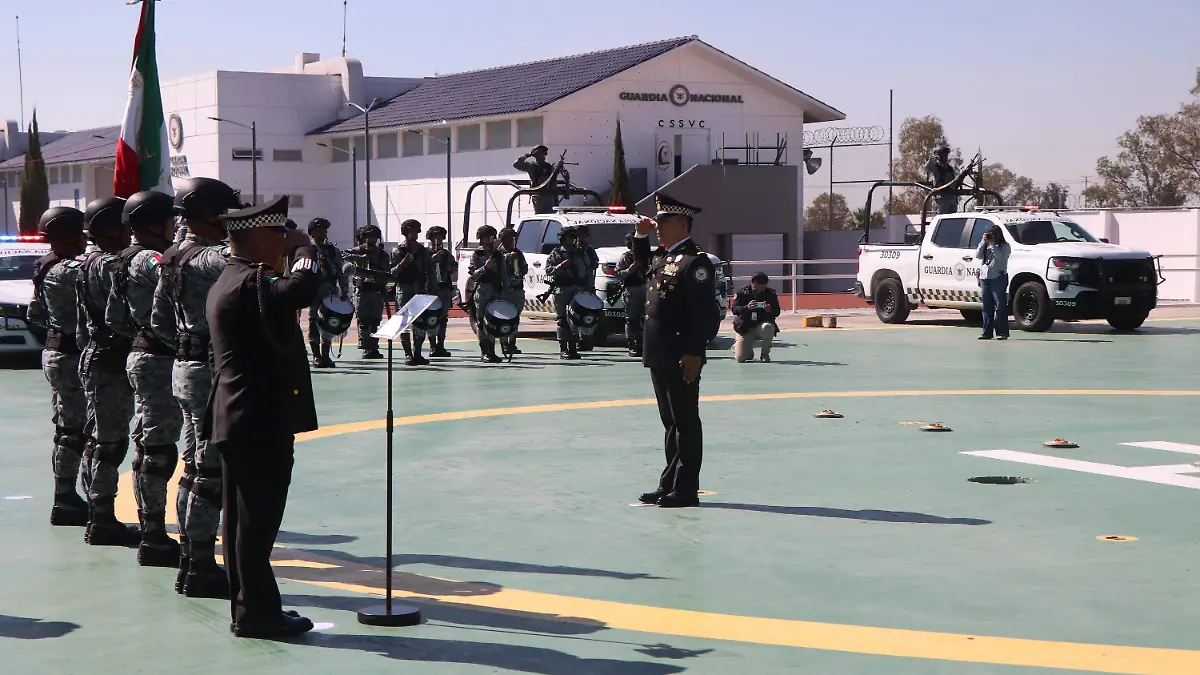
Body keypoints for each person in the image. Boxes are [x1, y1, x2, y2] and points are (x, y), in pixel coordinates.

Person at [203, 195, 318, 639]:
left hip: (245, 417)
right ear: (255, 238)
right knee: (255, 523)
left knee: (244, 523)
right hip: (256, 419)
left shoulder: (238, 279)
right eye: (279, 234)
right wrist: (306, 251)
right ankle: (257, 615)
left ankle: (254, 610)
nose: (285, 242)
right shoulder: (246, 283)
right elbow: (301, 291)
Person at [152, 176, 243, 598]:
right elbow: (238, 253)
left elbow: (157, 323)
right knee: (209, 474)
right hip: (207, 371)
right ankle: (201, 567)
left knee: (194, 468)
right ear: (210, 216)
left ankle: (193, 559)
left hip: (184, 367)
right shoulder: (206, 257)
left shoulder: (170, 256)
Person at [104, 190, 184, 565]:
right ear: (155, 224)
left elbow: (112, 319)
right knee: (157, 448)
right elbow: (176, 282)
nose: (176, 227)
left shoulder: (118, 260)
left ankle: (151, 528)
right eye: (171, 220)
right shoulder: (150, 260)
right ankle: (153, 535)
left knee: (150, 444)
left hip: (142, 353)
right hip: (159, 357)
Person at [633, 192, 720, 508]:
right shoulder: (664, 257)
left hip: (682, 353)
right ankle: (669, 483)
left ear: (682, 224)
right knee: (670, 422)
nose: (658, 226)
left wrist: (695, 351)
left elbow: (704, 314)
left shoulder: (696, 263)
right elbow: (642, 269)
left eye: (663, 221)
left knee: (685, 421)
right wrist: (639, 238)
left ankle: (686, 489)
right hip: (660, 352)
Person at [76, 196, 141, 546]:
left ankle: (96, 512)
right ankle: (101, 519)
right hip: (111, 362)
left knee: (99, 440)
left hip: (96, 356)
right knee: (109, 443)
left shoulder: (87, 264)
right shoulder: (110, 265)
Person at [26, 207, 90, 528]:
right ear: (68, 236)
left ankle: (65, 495)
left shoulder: (45, 267)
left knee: (67, 427)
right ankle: (66, 498)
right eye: (80, 233)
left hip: (56, 352)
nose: (84, 240)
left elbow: (35, 316)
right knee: (73, 430)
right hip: (71, 355)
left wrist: (55, 331)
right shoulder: (71, 270)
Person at [390, 219, 436, 366]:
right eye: (411, 230)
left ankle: (417, 354)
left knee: (420, 323)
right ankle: (408, 354)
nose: (414, 233)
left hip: (420, 288)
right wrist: (404, 262)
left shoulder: (422, 251)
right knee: (404, 322)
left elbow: (430, 271)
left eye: (416, 230)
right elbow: (392, 272)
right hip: (404, 288)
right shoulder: (398, 251)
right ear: (405, 232)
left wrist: (433, 289)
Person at [305, 217, 349, 368]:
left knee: (329, 322)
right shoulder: (306, 250)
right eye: (320, 229)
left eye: (325, 229)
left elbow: (341, 272)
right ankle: (316, 356)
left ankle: (325, 355)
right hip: (313, 289)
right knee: (313, 322)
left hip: (329, 289)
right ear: (312, 232)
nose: (324, 232)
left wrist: (344, 290)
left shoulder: (332, 250)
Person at [544, 227, 592, 360]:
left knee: (576, 319)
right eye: (568, 237)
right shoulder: (556, 253)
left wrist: (589, 289)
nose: (571, 240)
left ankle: (573, 346)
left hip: (578, 289)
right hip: (562, 290)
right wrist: (561, 267)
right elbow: (549, 270)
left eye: (573, 237)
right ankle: (564, 348)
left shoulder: (581, 253)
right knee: (563, 321)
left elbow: (588, 270)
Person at [343, 225, 389, 359]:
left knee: (375, 321)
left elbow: (386, 270)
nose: (371, 239)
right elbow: (342, 255)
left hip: (376, 290)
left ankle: (373, 346)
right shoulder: (357, 251)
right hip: (361, 290)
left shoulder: (381, 254)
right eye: (368, 236)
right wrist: (357, 258)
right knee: (363, 320)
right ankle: (365, 346)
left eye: (374, 236)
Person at [467, 225, 505, 363]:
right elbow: (474, 275)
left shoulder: (498, 254)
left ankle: (492, 351)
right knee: (482, 322)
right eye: (487, 236)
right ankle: (485, 351)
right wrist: (485, 267)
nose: (490, 239)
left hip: (496, 290)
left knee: (493, 322)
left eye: (491, 236)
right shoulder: (477, 254)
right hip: (482, 290)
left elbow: (503, 273)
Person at [731, 272, 782, 363]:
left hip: (760, 326)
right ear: (752, 282)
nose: (759, 290)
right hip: (745, 327)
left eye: (762, 287)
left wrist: (770, 310)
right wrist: (747, 307)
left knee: (767, 327)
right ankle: (740, 347)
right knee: (741, 358)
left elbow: (777, 312)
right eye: (756, 287)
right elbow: (734, 310)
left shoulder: (771, 293)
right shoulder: (742, 292)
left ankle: (765, 354)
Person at [975, 224, 1011, 340]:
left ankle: (1002, 332)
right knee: (987, 306)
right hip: (985, 277)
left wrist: (992, 245)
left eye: (993, 235)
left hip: (998, 277)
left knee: (1000, 305)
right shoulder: (986, 245)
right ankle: (986, 332)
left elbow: (1001, 257)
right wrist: (983, 242)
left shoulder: (1004, 246)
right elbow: (978, 255)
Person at [496, 226, 528, 358]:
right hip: (504, 289)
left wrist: (519, 263)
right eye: (509, 238)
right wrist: (508, 257)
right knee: (504, 318)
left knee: (515, 317)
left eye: (513, 238)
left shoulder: (518, 252)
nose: (512, 241)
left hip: (517, 288)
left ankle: (512, 343)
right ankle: (504, 344)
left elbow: (525, 269)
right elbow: (495, 264)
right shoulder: (498, 253)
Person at [615, 231, 647, 357]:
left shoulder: (646, 256)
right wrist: (631, 269)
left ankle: (642, 343)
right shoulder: (625, 257)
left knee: (643, 319)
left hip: (644, 288)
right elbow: (618, 274)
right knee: (631, 319)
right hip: (631, 289)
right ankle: (632, 344)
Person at [426, 225, 456, 357]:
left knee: (443, 318)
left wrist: (450, 267)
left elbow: (453, 267)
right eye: (434, 238)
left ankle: (441, 345)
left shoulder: (446, 254)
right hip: (430, 289)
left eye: (440, 238)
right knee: (431, 318)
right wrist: (432, 260)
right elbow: (421, 268)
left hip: (444, 288)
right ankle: (432, 346)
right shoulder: (425, 253)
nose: (437, 241)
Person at [513, 145, 560, 214]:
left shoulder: (549, 167)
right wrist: (527, 155)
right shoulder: (532, 166)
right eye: (539, 153)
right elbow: (516, 164)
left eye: (543, 153)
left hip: (550, 195)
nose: (542, 155)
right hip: (538, 196)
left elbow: (553, 180)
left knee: (552, 215)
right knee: (541, 216)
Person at [925, 145, 960, 215]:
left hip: (951, 197)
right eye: (943, 154)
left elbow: (953, 182)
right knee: (943, 217)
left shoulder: (949, 168)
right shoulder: (935, 167)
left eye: (946, 155)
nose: (946, 157)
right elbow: (927, 166)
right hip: (941, 198)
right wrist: (933, 158)